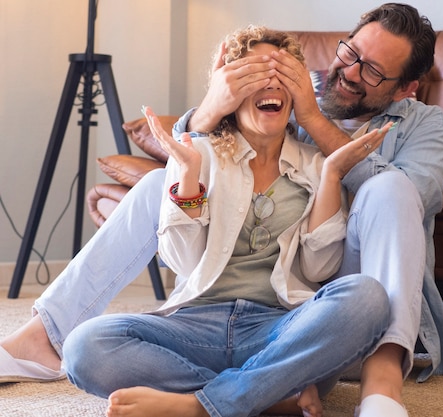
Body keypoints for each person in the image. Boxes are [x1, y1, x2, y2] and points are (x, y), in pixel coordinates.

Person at [1, 3, 443, 416]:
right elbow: (206, 145)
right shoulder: (294, 91)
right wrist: (213, 104)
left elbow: (413, 198)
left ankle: (380, 381)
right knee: (152, 189)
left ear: (406, 88)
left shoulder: (413, 122)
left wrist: (312, 122)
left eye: (372, 72)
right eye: (350, 53)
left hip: (322, 293)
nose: (348, 73)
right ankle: (48, 337)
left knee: (390, 191)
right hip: (215, 316)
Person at [63, 26, 393, 417]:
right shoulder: (196, 152)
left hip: (279, 329)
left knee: (366, 298)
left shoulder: (319, 165)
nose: (270, 84)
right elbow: (182, 263)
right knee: (84, 346)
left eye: (282, 76)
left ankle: (200, 405)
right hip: (196, 324)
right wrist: (187, 175)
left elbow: (318, 268)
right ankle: (268, 397)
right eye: (253, 75)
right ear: (231, 92)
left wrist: (333, 177)